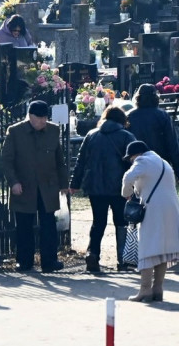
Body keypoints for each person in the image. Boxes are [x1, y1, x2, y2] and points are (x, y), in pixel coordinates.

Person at [0, 100, 69, 273]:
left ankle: (50, 261)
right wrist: (13, 182)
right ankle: (24, 261)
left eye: (45, 118)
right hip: (24, 186)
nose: (43, 121)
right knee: (23, 225)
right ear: (30, 116)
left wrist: (63, 184)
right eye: (39, 118)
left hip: (48, 186)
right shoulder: (15, 132)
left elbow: (60, 160)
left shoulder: (53, 130)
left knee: (48, 225)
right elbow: (6, 161)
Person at [69, 107, 138, 273]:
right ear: (122, 120)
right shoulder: (126, 136)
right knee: (121, 223)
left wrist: (75, 183)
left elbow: (81, 161)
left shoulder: (91, 135)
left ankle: (92, 253)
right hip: (119, 188)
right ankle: (123, 260)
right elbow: (135, 162)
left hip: (95, 187)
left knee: (98, 222)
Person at [121, 140, 179, 302]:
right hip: (171, 208)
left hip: (154, 209)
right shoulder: (162, 161)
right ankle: (158, 289)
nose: (131, 161)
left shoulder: (142, 161)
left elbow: (128, 176)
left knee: (148, 247)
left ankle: (145, 290)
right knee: (162, 249)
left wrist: (126, 193)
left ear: (136, 154)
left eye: (131, 158)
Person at [125, 84, 179, 182]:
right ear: (156, 98)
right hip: (160, 163)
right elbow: (172, 145)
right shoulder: (163, 116)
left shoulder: (129, 117)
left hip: (137, 164)